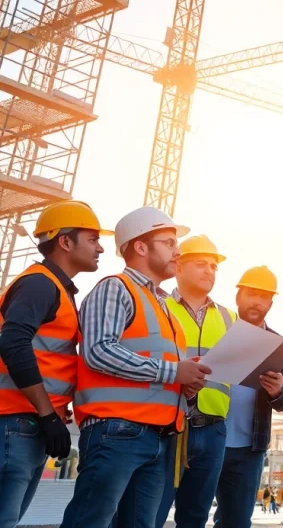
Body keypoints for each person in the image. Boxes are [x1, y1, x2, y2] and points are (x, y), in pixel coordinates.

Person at [59, 206, 209, 528]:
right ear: (140, 247)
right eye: (169, 242)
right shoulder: (115, 288)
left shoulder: (163, 305)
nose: (177, 251)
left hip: (159, 435)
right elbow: (99, 351)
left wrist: (187, 380)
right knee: (89, 521)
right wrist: (173, 372)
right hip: (116, 432)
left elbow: (157, 366)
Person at [0, 201, 109, 528]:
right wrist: (48, 414)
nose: (100, 247)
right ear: (65, 242)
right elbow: (12, 342)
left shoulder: (57, 288)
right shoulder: (39, 284)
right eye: (92, 238)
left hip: (28, 425)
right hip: (15, 423)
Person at [156, 235, 237, 528]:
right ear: (178, 268)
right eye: (201, 264)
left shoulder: (230, 317)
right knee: (150, 510)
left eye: (214, 266)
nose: (209, 271)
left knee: (195, 517)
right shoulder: (158, 306)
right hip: (168, 425)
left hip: (213, 428)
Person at [212, 266, 283, 528]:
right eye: (251, 294)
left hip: (249, 449)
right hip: (206, 440)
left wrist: (278, 391)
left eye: (264, 296)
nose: (257, 301)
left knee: (236, 521)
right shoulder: (216, 330)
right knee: (191, 514)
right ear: (238, 296)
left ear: (271, 302)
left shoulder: (280, 346)